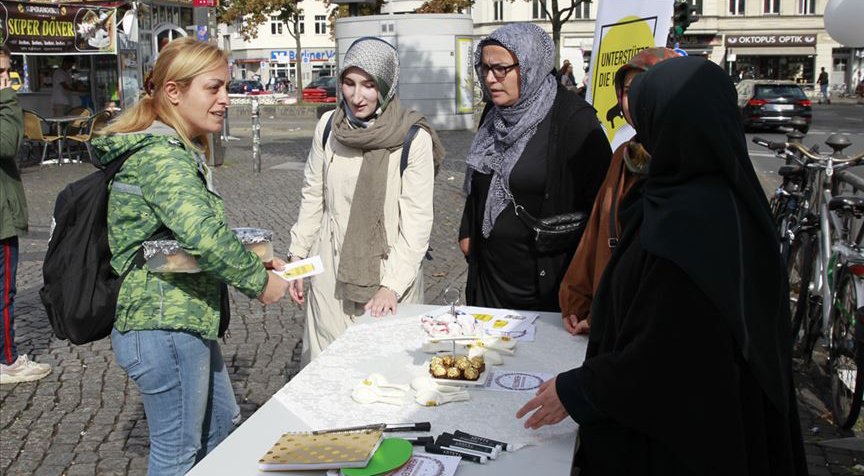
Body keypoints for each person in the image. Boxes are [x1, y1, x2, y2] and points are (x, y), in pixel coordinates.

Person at [516, 56, 808, 475]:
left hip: (680, 443)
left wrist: (580, 390)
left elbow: (672, 353)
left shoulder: (694, 223)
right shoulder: (718, 197)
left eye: (647, 112)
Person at [92, 38, 290, 476]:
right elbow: (202, 236)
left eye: (226, 88)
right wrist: (259, 284)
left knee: (221, 426)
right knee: (177, 455)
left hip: (181, 321)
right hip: (162, 326)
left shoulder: (173, 149)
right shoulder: (162, 156)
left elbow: (172, 243)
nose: (225, 100)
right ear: (174, 92)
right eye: (214, 88)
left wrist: (255, 259)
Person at [287, 37, 445, 365]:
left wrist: (392, 286)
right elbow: (313, 196)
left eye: (369, 85)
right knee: (326, 368)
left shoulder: (413, 138)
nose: (357, 97)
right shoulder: (329, 127)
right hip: (329, 274)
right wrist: (297, 260)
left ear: (386, 86)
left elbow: (416, 225)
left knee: (383, 371)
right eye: (348, 83)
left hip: (387, 275)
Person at [459, 23, 611, 311]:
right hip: (490, 276)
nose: (490, 79)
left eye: (501, 68)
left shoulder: (573, 120)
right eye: (485, 68)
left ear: (530, 65)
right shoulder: (494, 113)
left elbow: (600, 206)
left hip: (545, 279)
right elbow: (481, 175)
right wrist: (467, 231)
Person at [559, 47, 679, 336]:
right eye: (627, 91)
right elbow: (597, 233)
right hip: (610, 320)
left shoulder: (688, 164)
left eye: (647, 89)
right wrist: (578, 300)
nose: (634, 100)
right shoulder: (625, 157)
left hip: (654, 333)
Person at [0, 43, 53, 385]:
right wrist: (6, 99)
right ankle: (6, 362)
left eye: (7, 72)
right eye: (1, 73)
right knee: (3, 291)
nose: (8, 81)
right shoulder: (4, 103)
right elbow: (6, 143)